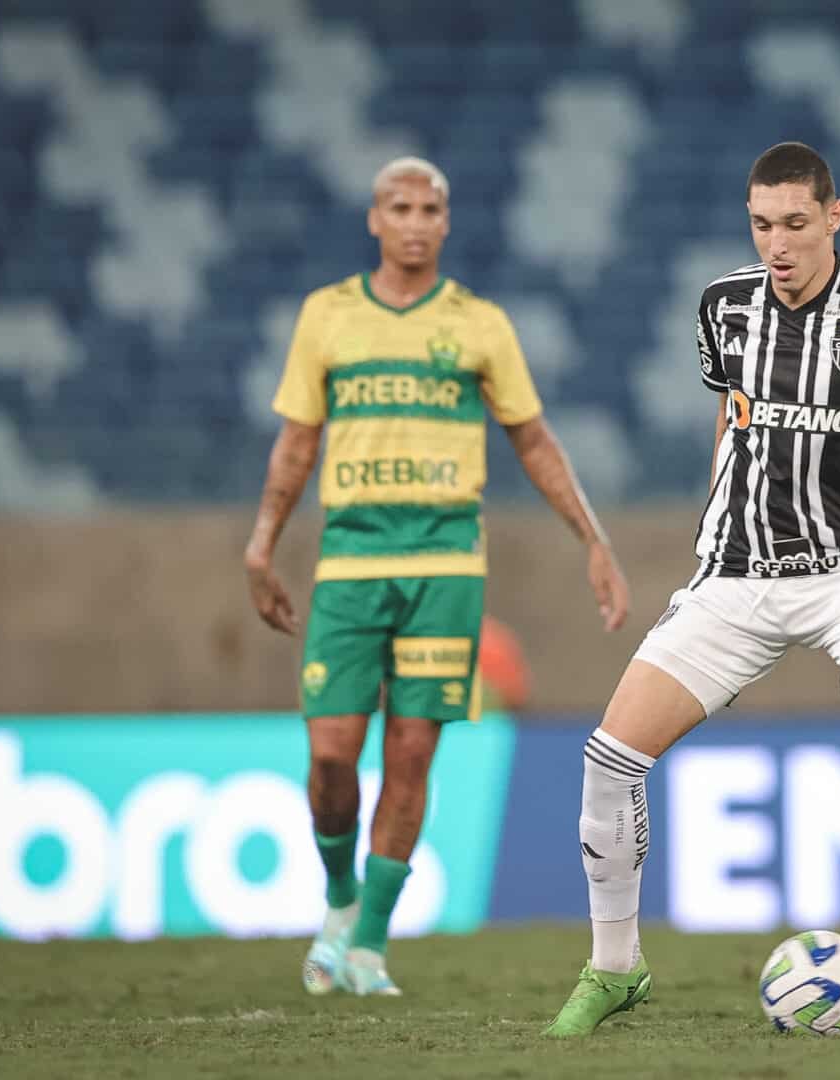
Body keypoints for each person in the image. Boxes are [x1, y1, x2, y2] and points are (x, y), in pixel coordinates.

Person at [544, 142, 840, 1036]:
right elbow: (734, 409)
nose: (777, 244)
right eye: (762, 225)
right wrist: (724, 508)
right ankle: (615, 969)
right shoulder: (722, 308)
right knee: (608, 762)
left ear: (833, 217)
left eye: (795, 224)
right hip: (736, 580)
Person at [244, 156, 629, 996]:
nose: (415, 221)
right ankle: (342, 897)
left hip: (446, 564)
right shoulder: (327, 317)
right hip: (350, 562)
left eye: (430, 208)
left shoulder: (482, 325)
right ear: (374, 220)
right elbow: (297, 443)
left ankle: (370, 946)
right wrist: (262, 543)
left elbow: (533, 440)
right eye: (399, 207)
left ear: (445, 224)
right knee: (332, 757)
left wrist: (592, 540)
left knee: (413, 752)